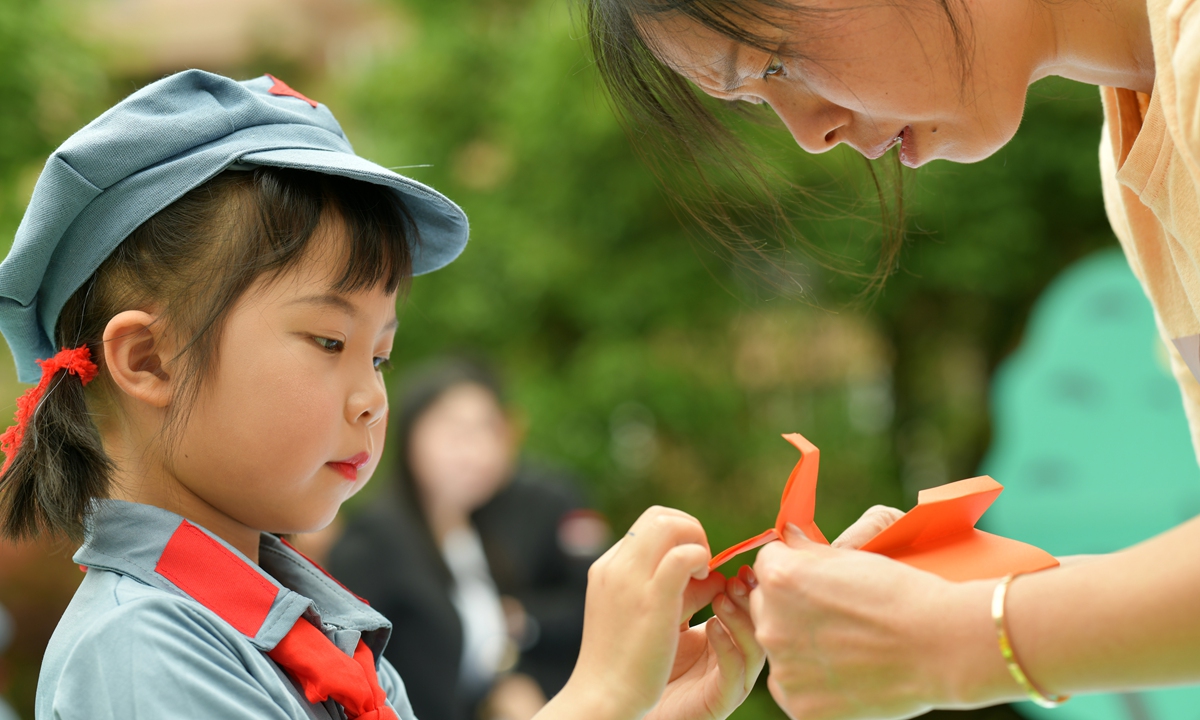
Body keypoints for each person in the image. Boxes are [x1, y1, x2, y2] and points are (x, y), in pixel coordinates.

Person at [0, 69, 764, 720]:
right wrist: (593, 701)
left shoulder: (319, 632)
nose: (370, 398)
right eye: (330, 342)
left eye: (383, 356)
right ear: (149, 359)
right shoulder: (141, 648)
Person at [584, 0, 1200, 717]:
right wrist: (946, 601)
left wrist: (959, 639)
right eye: (756, 97)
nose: (810, 135)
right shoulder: (1139, 141)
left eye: (775, 60)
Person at [329, 358, 604, 720]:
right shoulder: (373, 541)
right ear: (411, 436)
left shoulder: (481, 533)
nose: (473, 451)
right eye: (456, 432)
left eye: (486, 431)